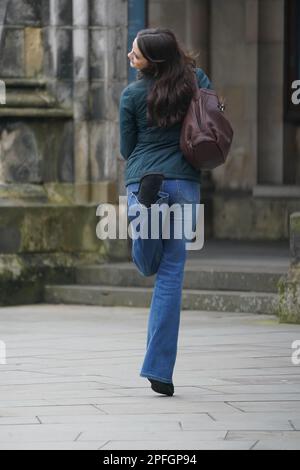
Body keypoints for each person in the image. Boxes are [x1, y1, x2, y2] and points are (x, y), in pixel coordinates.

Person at [119, 28, 212, 397]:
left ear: (151, 62)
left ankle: (146, 207)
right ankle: (160, 370)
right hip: (185, 183)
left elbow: (128, 148)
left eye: (136, 54)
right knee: (170, 274)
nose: (130, 56)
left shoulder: (131, 94)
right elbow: (209, 109)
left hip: (144, 176)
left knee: (145, 264)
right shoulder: (195, 81)